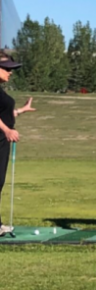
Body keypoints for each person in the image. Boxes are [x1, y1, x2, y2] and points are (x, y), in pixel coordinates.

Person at [0, 53, 37, 236]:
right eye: (7, 68)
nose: (10, 72)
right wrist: (7, 130)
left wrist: (21, 110)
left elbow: (4, 114)